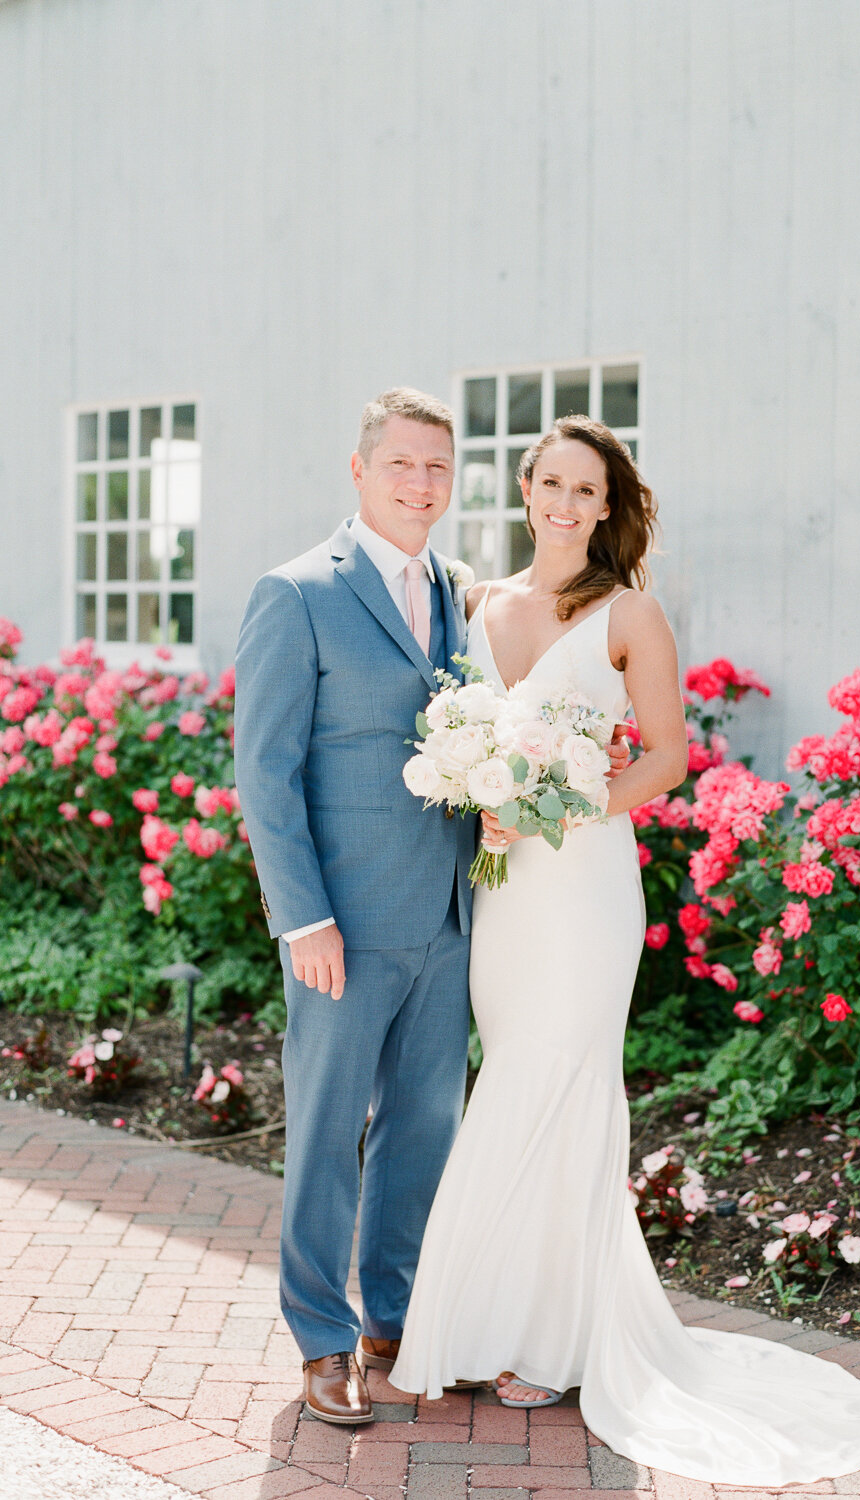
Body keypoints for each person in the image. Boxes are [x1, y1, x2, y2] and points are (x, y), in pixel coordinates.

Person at [388, 416, 860, 1486]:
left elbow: (671, 758)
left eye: (583, 490)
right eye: (548, 482)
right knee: (508, 1078)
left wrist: (559, 803)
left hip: (585, 883)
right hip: (501, 896)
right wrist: (480, 794)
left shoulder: (628, 611)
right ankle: (492, 1323)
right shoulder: (475, 604)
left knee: (560, 1084)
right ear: (526, 489)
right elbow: (452, 738)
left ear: (606, 507)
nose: (562, 503)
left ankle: (549, 1344)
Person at [234, 386, 632, 1425]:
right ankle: (322, 1341)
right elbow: (264, 775)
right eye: (402, 464)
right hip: (343, 928)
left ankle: (396, 1318)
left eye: (438, 469)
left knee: (421, 1131)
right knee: (325, 1134)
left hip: (459, 918)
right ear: (359, 470)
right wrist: (301, 918)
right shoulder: (296, 594)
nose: (421, 484)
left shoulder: (459, 591)